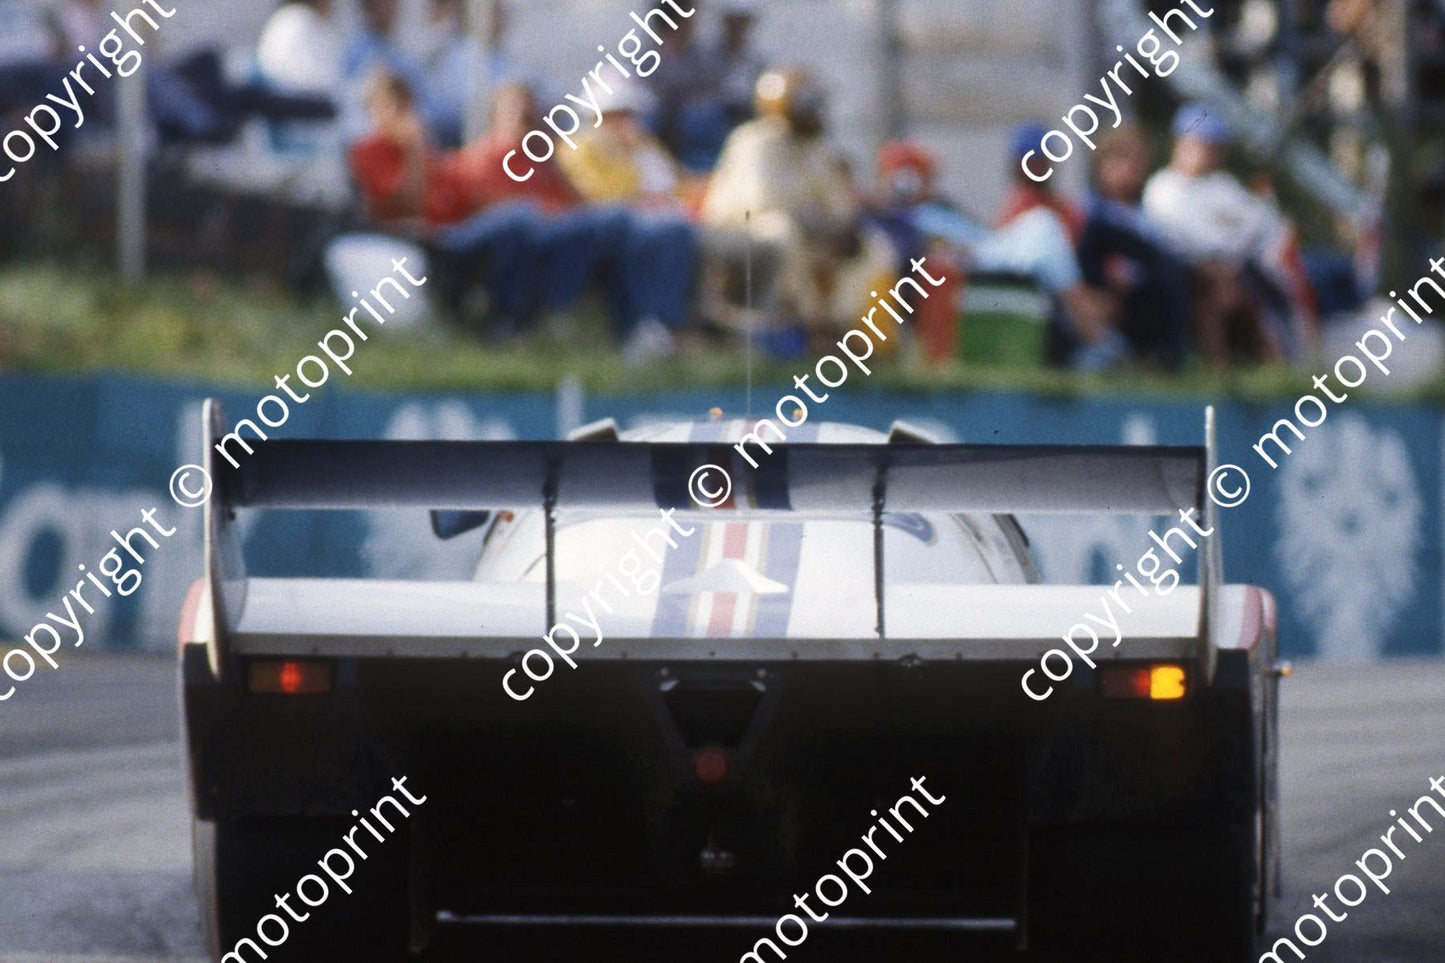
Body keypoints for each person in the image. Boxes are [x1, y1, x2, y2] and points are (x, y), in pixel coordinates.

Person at [701, 67, 894, 345]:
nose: (816, 112)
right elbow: (759, 204)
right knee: (783, 230)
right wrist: (811, 220)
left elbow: (838, 208)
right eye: (808, 104)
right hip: (739, 233)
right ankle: (812, 324)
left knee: (873, 245)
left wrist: (839, 229)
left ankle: (847, 328)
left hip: (807, 234)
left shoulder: (818, 150)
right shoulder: (754, 141)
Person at [1143, 102, 1316, 365]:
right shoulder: (1163, 187)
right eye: (1202, 144)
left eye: (1215, 146)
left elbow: (1263, 224)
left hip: (1239, 268)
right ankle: (1219, 371)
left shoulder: (1224, 185)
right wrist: (1227, 249)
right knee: (1218, 293)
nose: (1209, 153)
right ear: (1180, 143)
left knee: (1277, 287)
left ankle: (1283, 369)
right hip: (1190, 273)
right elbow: (1189, 239)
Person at [560, 81, 698, 359]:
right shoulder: (579, 147)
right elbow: (599, 195)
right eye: (618, 114)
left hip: (660, 223)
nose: (627, 122)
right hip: (608, 228)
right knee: (658, 237)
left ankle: (666, 326)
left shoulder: (644, 145)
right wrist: (630, 160)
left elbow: (677, 184)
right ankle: (644, 327)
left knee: (677, 232)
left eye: (628, 114)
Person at [1077, 126, 1191, 369]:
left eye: (1139, 161)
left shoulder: (1148, 218)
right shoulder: (1088, 211)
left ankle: (1167, 357)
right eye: (1124, 160)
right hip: (1100, 295)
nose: (1134, 169)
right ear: (1103, 166)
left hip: (1142, 296)